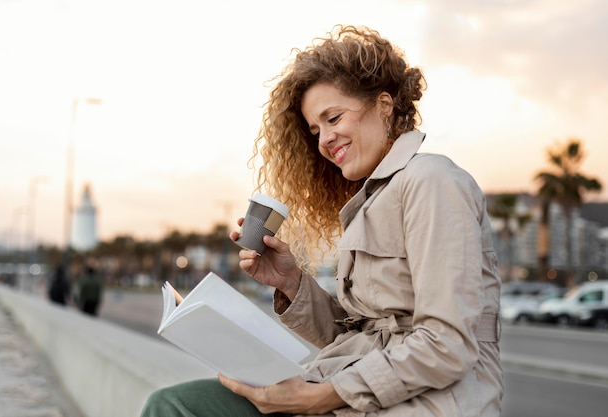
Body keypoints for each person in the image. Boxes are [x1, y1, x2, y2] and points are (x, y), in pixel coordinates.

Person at [141, 25, 503, 417]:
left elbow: (447, 344)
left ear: (384, 106)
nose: (324, 140)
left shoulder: (431, 182)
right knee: (173, 404)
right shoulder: (372, 200)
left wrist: (321, 397)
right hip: (357, 396)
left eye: (333, 118)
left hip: (424, 405)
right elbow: (361, 338)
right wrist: (290, 283)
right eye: (315, 130)